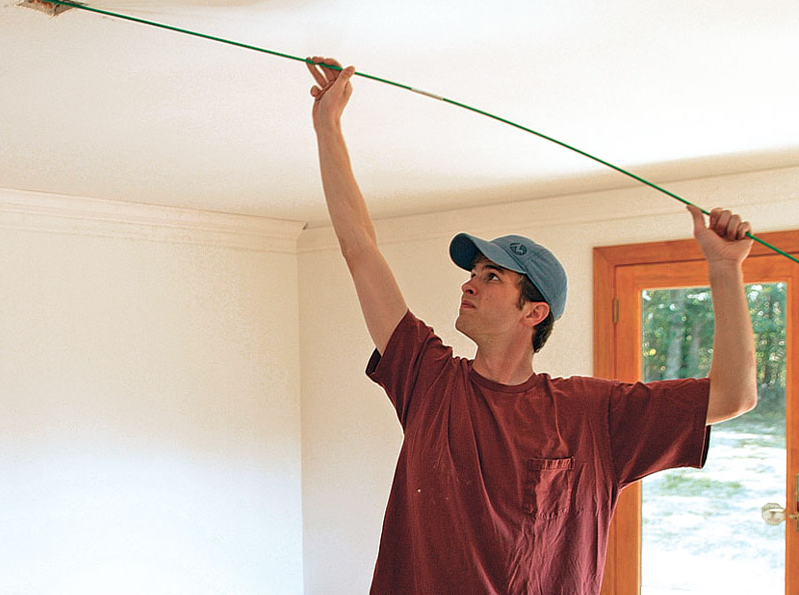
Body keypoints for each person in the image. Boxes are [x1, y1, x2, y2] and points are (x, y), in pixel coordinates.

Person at [306, 56, 758, 595]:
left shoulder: (594, 414)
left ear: (533, 312)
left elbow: (734, 396)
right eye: (473, 272)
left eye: (491, 276)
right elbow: (360, 251)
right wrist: (328, 127)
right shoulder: (427, 380)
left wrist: (725, 270)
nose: (469, 284)